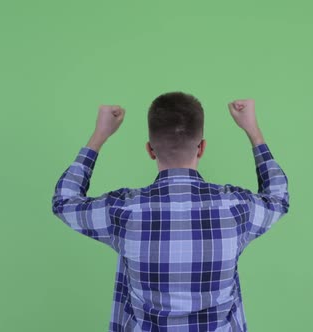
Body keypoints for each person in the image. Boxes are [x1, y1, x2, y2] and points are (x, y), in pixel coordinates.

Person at [51, 91, 290, 331]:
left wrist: (99, 136)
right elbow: (278, 196)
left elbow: (64, 200)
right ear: (202, 147)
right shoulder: (236, 209)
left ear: (150, 150)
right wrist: (253, 131)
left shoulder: (124, 211)